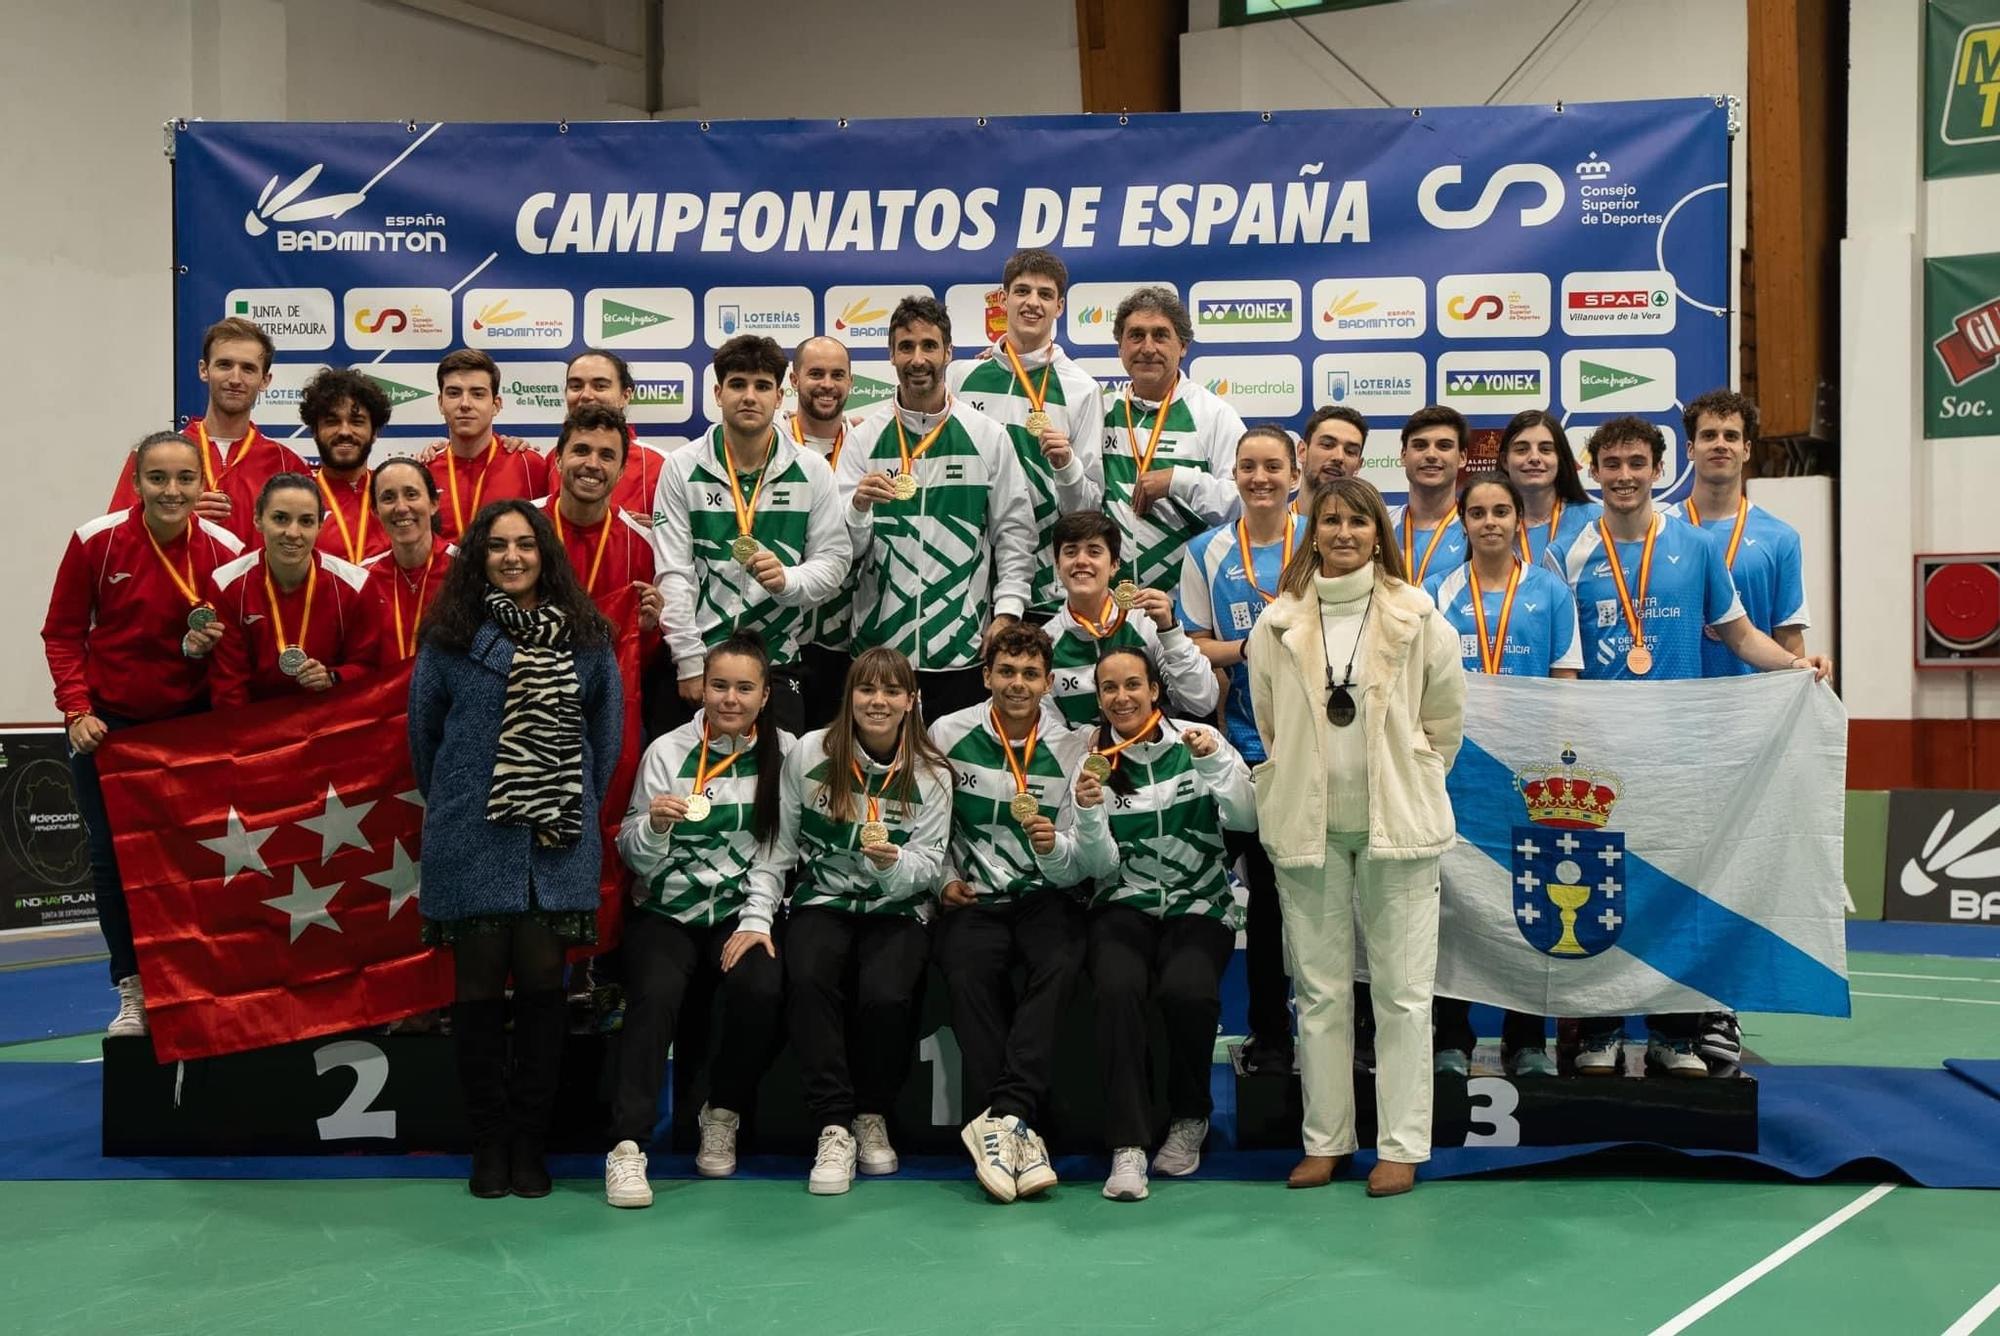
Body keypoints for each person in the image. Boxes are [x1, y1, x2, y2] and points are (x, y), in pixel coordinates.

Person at [1564, 415, 1831, 1076]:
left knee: (1681, 889)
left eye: (1636, 464)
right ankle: (1598, 1028)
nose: (1624, 477)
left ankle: (1673, 1032)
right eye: (1612, 464)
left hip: (1679, 753)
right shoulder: (1568, 552)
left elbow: (1740, 635)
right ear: (1594, 472)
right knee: (1603, 889)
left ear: (1659, 471)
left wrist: (1793, 667)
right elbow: (1555, 656)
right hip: (1599, 757)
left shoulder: (1697, 547)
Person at [1246, 476, 1466, 1198]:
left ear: (1380, 532)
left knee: (1403, 994)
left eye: (1357, 522)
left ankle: (1401, 1144)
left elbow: (1443, 724)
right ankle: (1327, 1140)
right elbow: (1270, 721)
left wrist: (1415, 772)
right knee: (1318, 994)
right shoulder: (1276, 623)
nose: (1343, 533)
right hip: (1308, 828)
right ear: (1312, 532)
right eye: (1330, 520)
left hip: (1395, 825)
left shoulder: (1420, 617)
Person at [408, 499, 623, 1199]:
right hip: (470, 832)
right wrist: (466, 795)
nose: (511, 557)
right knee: (474, 993)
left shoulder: (589, 639)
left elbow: (607, 740)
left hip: (555, 838)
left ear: (545, 554)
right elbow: (424, 740)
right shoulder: (447, 638)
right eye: (496, 546)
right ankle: (488, 1143)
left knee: (541, 991)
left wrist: (565, 803)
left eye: (524, 545)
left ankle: (530, 1145)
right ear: (478, 557)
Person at [43, 430, 245, 1037]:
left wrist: (207, 662)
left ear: (201, 485)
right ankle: (133, 989)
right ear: (135, 483)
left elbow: (238, 645)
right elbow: (62, 633)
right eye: (158, 478)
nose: (172, 491)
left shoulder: (225, 547)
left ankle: (195, 981)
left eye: (185, 479)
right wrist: (77, 710)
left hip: (188, 729)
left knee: (198, 863)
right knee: (111, 865)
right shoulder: (95, 542)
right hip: (111, 730)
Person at [740, 647, 952, 1196]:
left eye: (890, 692)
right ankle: (834, 1125)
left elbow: (929, 868)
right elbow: (778, 847)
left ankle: (871, 1114)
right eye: (866, 690)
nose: (877, 702)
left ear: (911, 700)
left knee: (887, 994)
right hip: (824, 900)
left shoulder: (931, 773)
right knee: (809, 977)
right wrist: (756, 918)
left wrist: (892, 865)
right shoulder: (812, 751)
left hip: (897, 908)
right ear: (849, 696)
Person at [605, 632, 793, 1208]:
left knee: (762, 987)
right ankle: (627, 1147)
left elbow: (777, 851)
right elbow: (629, 850)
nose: (729, 698)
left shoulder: (785, 754)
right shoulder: (666, 752)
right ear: (701, 690)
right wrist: (655, 829)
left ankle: (723, 1111)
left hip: (739, 914)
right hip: (666, 911)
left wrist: (755, 922)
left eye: (743, 687)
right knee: (654, 996)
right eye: (718, 685)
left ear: (765, 695)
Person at [1069, 647, 1255, 1203]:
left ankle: (1190, 1115)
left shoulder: (1198, 741)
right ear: (1099, 698)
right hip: (1122, 904)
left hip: (1200, 903)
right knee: (1118, 987)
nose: (1121, 697)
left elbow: (1249, 818)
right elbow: (1094, 866)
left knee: (1188, 990)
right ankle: (1127, 1146)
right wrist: (1086, 812)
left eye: (1133, 685)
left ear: (1155, 689)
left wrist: (1214, 763)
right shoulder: (1091, 759)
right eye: (1109, 689)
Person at [1667, 389, 1816, 1072]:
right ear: (1690, 447)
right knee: (1668, 873)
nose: (1720, 444)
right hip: (1669, 730)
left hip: (1743, 737)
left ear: (1748, 449)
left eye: (1731, 434)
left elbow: (1788, 635)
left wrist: (1805, 669)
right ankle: (1664, 1010)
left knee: (1728, 878)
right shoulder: (1660, 530)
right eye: (1708, 434)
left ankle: (1719, 1008)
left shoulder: (1779, 538)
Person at [1423, 474, 1579, 1080]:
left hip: (1528, 778)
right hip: (1456, 777)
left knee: (1532, 907)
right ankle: (1452, 1037)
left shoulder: (1550, 592)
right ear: (1463, 522)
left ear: (1520, 520)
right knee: (1452, 912)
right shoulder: (1436, 592)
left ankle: (1527, 1038)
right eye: (1479, 512)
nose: (1490, 522)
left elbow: (1565, 685)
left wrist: (1549, 758)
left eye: (1502, 511)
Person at [930, 624, 1090, 1203]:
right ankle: (1014, 1127)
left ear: (1048, 683)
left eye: (1029, 674)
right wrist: (944, 880)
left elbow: (1079, 853)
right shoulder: (947, 734)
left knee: (1062, 958)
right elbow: (930, 824)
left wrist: (1055, 851)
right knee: (968, 971)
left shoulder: (1072, 748)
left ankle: (1003, 1120)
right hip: (974, 899)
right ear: (986, 676)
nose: (1017, 684)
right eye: (1006, 672)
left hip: (1044, 895)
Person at [1180, 424, 1313, 1074]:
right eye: (1249, 467)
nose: (1260, 478)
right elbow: (1193, 646)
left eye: (1272, 467)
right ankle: (1230, 1033)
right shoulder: (1206, 551)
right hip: (1236, 753)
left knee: (1284, 910)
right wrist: (1249, 649)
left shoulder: (1319, 542)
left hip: (1309, 758)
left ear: (1296, 472)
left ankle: (1289, 1037)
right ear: (1235, 475)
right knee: (1230, 900)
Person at [837, 297, 1036, 721]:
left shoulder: (987, 436)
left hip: (961, 650)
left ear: (949, 352)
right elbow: (843, 552)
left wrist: (1007, 614)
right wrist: (856, 508)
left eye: (929, 346)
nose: (918, 358)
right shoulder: (863, 438)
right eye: (906, 347)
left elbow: (1015, 536)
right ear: (891, 354)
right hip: (879, 653)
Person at [653, 335, 850, 737]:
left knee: (778, 792)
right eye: (738, 384)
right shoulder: (681, 467)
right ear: (717, 392)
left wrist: (790, 581)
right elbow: (674, 573)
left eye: (762, 386)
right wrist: (690, 662)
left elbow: (834, 561)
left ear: (779, 396)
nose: (749, 396)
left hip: (777, 661)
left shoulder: (811, 469)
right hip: (703, 663)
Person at [950, 248, 1105, 620]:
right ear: (1003, 299)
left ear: (1060, 306)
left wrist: (1067, 465)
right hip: (961, 580)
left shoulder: (1081, 389)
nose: (1033, 303)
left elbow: (1087, 511)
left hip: (1042, 586)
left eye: (1045, 294)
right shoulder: (960, 377)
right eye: (1022, 291)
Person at [105, 317, 309, 544]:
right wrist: (175, 518)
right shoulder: (151, 456)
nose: (235, 379)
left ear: (265, 380)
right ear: (204, 370)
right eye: (224, 365)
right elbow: (117, 543)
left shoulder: (288, 464)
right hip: (177, 580)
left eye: (248, 369)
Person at [1104, 286, 1245, 594]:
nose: (1148, 347)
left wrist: (1180, 480)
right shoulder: (1101, 411)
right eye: (1136, 335)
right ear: (1120, 347)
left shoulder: (1214, 415)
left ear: (1183, 346)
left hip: (1189, 604)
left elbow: (1246, 503)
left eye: (1160, 335)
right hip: (1108, 604)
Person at [199, 473, 379, 706]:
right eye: (281, 518)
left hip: (328, 720)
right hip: (255, 724)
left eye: (306, 521)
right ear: (258, 520)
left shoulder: (356, 584)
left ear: (320, 526)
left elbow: (368, 668)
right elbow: (229, 684)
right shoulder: (226, 584)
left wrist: (333, 677)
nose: (293, 533)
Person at [1042, 512, 1217, 728]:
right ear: (1058, 567)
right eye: (1070, 552)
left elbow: (1202, 702)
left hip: (1153, 753)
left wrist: (1170, 633)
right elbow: (1050, 730)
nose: (1081, 561)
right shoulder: (1046, 642)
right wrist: (1089, 739)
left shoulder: (1146, 622)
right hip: (1084, 758)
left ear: (1114, 565)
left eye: (1094, 552)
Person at [786, 335, 861, 730]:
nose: (827, 384)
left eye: (837, 375)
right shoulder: (772, 443)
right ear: (795, 379)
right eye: (815, 374)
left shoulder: (868, 443)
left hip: (848, 635)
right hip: (784, 634)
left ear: (851, 382)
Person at [539, 405, 663, 632]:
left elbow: (639, 655)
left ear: (622, 471)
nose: (593, 464)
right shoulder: (523, 525)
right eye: (581, 451)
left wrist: (646, 630)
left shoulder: (642, 544)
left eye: (606, 456)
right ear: (558, 459)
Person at [427, 349, 547, 543]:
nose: (465, 404)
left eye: (477, 394)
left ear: (496, 405)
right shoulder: (424, 471)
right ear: (441, 403)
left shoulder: (529, 465)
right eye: (454, 393)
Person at [549, 348, 674, 520]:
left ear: (626, 396)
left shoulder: (662, 465)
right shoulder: (550, 459)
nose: (586, 395)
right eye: (576, 386)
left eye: (600, 386)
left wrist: (658, 535)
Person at [364, 458, 455, 664]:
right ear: (376, 511)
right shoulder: (363, 579)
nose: (401, 507)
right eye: (388, 498)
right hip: (384, 695)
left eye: (411, 494)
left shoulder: (467, 570)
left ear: (434, 503)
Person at [302, 367, 394, 565]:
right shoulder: (298, 498)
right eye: (332, 421)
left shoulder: (394, 495)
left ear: (374, 432)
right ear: (315, 431)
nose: (344, 431)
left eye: (357, 421)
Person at [1498, 408, 1597, 571]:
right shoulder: (1488, 524)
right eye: (1522, 449)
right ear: (1504, 461)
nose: (1534, 458)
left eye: (1545, 449)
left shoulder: (1594, 520)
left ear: (1560, 459)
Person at [1389, 406, 1470, 585]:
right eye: (1420, 445)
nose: (1431, 454)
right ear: (1403, 456)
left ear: (1462, 457)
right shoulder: (1381, 527)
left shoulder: (1475, 529)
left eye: (1444, 446)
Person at [1297, 406, 1368, 514]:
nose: (1339, 457)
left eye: (1350, 451)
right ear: (1302, 451)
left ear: (1358, 466)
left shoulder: (1371, 529)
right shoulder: (1270, 527)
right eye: (1327, 445)